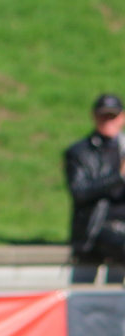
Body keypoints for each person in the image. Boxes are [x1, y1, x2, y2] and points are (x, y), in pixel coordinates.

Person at [66, 93, 125, 283]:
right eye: (103, 116)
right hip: (97, 226)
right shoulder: (80, 152)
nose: (108, 121)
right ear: (94, 116)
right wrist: (119, 177)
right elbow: (79, 192)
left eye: (113, 116)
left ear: (122, 117)